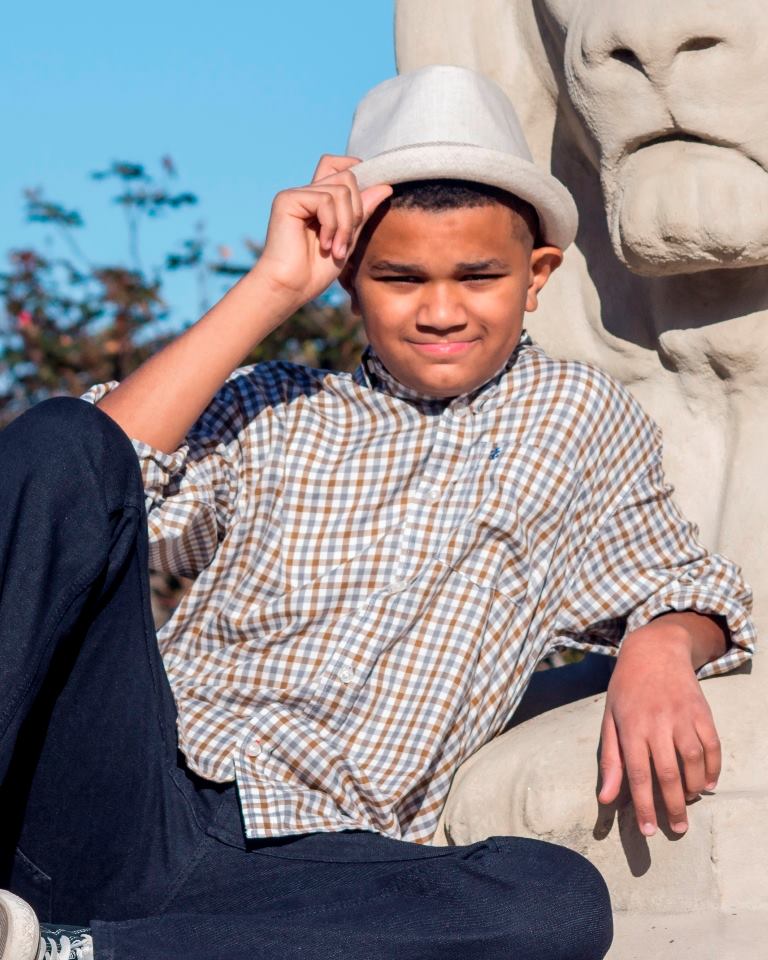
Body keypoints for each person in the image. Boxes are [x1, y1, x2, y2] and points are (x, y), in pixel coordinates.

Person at [0, 65, 755, 960]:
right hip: (135, 790)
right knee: (61, 434)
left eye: (478, 275)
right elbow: (86, 481)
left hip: (320, 860)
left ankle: (70, 954)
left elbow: (683, 581)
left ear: (537, 274)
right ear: (350, 277)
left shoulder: (575, 417)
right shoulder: (272, 406)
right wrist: (275, 289)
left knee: (552, 903)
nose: (441, 310)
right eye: (399, 278)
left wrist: (662, 646)